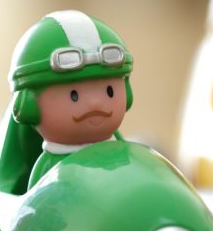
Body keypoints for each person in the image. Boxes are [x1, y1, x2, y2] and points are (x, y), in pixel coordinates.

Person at [7, 10, 135, 190]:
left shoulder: (121, 149)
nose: (95, 103)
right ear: (30, 106)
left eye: (109, 91)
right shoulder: (50, 167)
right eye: (74, 96)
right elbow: (36, 202)